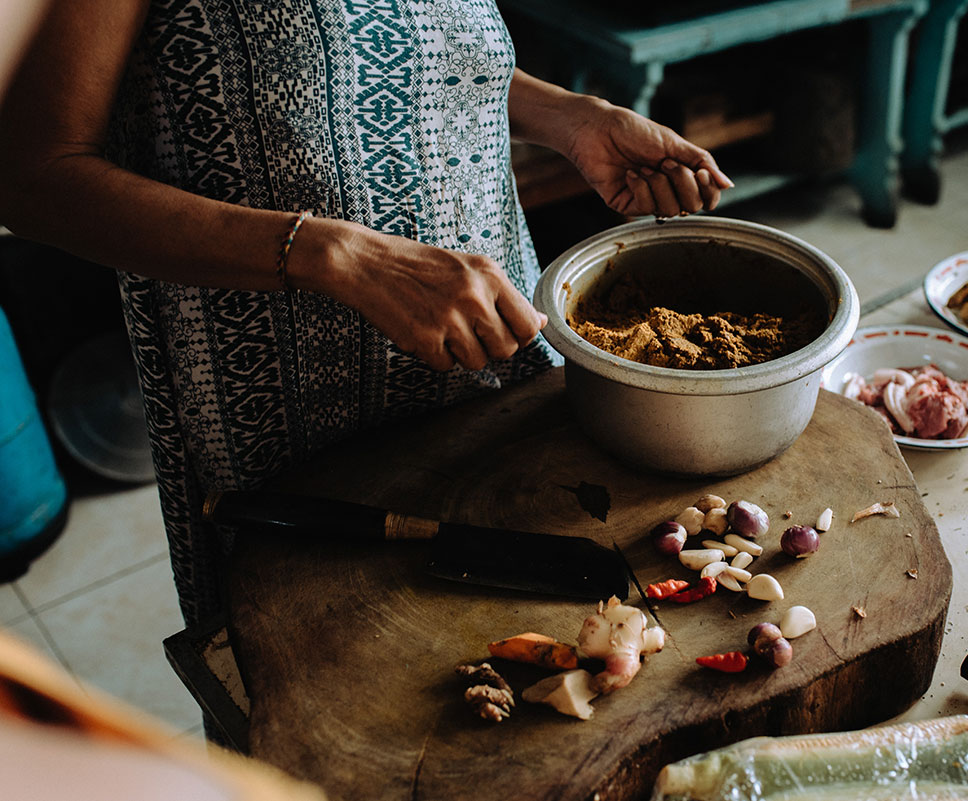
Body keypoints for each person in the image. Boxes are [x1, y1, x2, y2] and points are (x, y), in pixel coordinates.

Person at [0, 1, 733, 630]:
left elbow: (393, 46)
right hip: (293, 414)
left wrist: (570, 117)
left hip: (490, 361)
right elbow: (34, 177)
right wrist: (338, 255)